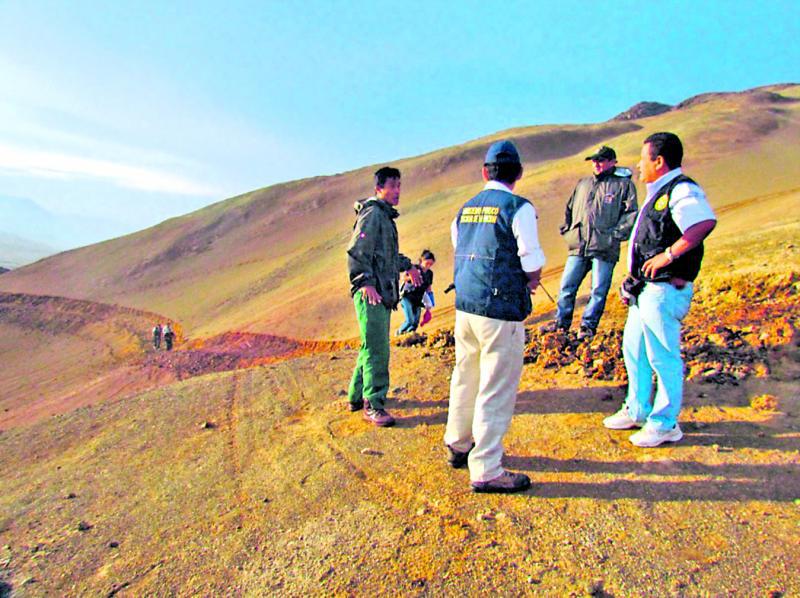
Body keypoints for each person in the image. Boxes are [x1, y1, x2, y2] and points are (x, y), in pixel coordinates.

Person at [444, 140, 545, 493]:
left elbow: (461, 249)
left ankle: (458, 443)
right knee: (496, 386)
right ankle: (486, 468)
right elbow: (531, 259)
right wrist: (531, 280)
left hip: (465, 305)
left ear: (484, 172)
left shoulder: (464, 210)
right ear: (518, 174)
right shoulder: (518, 208)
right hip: (500, 310)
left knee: (465, 373)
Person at [603, 132, 716, 447]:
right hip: (645, 290)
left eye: (643, 159)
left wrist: (669, 256)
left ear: (659, 161)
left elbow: (702, 223)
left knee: (662, 355)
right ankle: (637, 408)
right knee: (634, 349)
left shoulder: (682, 190)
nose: (638, 166)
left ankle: (665, 423)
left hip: (666, 288)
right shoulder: (658, 193)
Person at [347, 166, 422, 427]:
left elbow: (387, 257)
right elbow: (357, 251)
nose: (397, 191)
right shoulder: (372, 214)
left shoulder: (385, 218)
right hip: (372, 293)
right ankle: (374, 404)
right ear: (379, 188)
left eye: (400, 185)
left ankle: (356, 398)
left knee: (371, 344)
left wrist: (409, 266)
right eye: (392, 185)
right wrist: (364, 282)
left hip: (381, 291)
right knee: (377, 348)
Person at [542, 145, 638, 339]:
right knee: (567, 286)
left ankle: (588, 326)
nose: (596, 163)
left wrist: (615, 235)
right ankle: (561, 323)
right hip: (578, 245)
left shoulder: (623, 186)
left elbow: (631, 212)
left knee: (598, 289)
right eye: (594, 160)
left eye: (601, 160)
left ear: (613, 162)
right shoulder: (583, 184)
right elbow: (570, 208)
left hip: (604, 247)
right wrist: (567, 229)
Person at [396, 249, 436, 335]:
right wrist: (412, 277)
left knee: (415, 323)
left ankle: (410, 337)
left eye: (431, 264)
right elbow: (404, 278)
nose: (428, 266)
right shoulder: (414, 268)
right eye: (427, 263)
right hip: (407, 296)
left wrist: (431, 301)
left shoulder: (430, 274)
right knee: (409, 320)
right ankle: (398, 334)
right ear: (421, 260)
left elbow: (428, 288)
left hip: (418, 299)